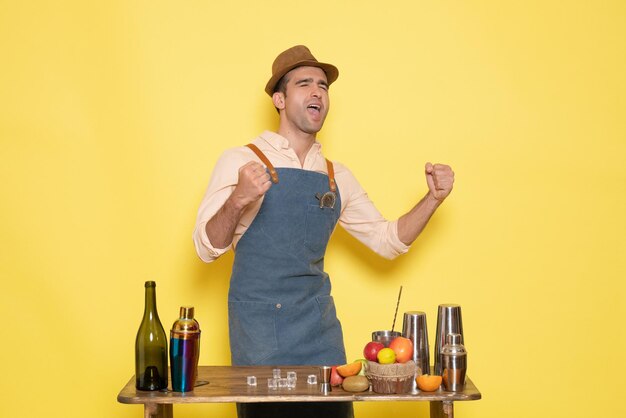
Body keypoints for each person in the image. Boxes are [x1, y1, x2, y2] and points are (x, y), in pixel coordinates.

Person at [193, 45, 454, 418]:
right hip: (261, 336)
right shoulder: (241, 160)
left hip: (320, 334)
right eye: (304, 84)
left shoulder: (336, 176)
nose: (317, 92)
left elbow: (388, 241)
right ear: (280, 99)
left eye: (323, 86)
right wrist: (238, 198)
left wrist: (433, 199)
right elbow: (206, 248)